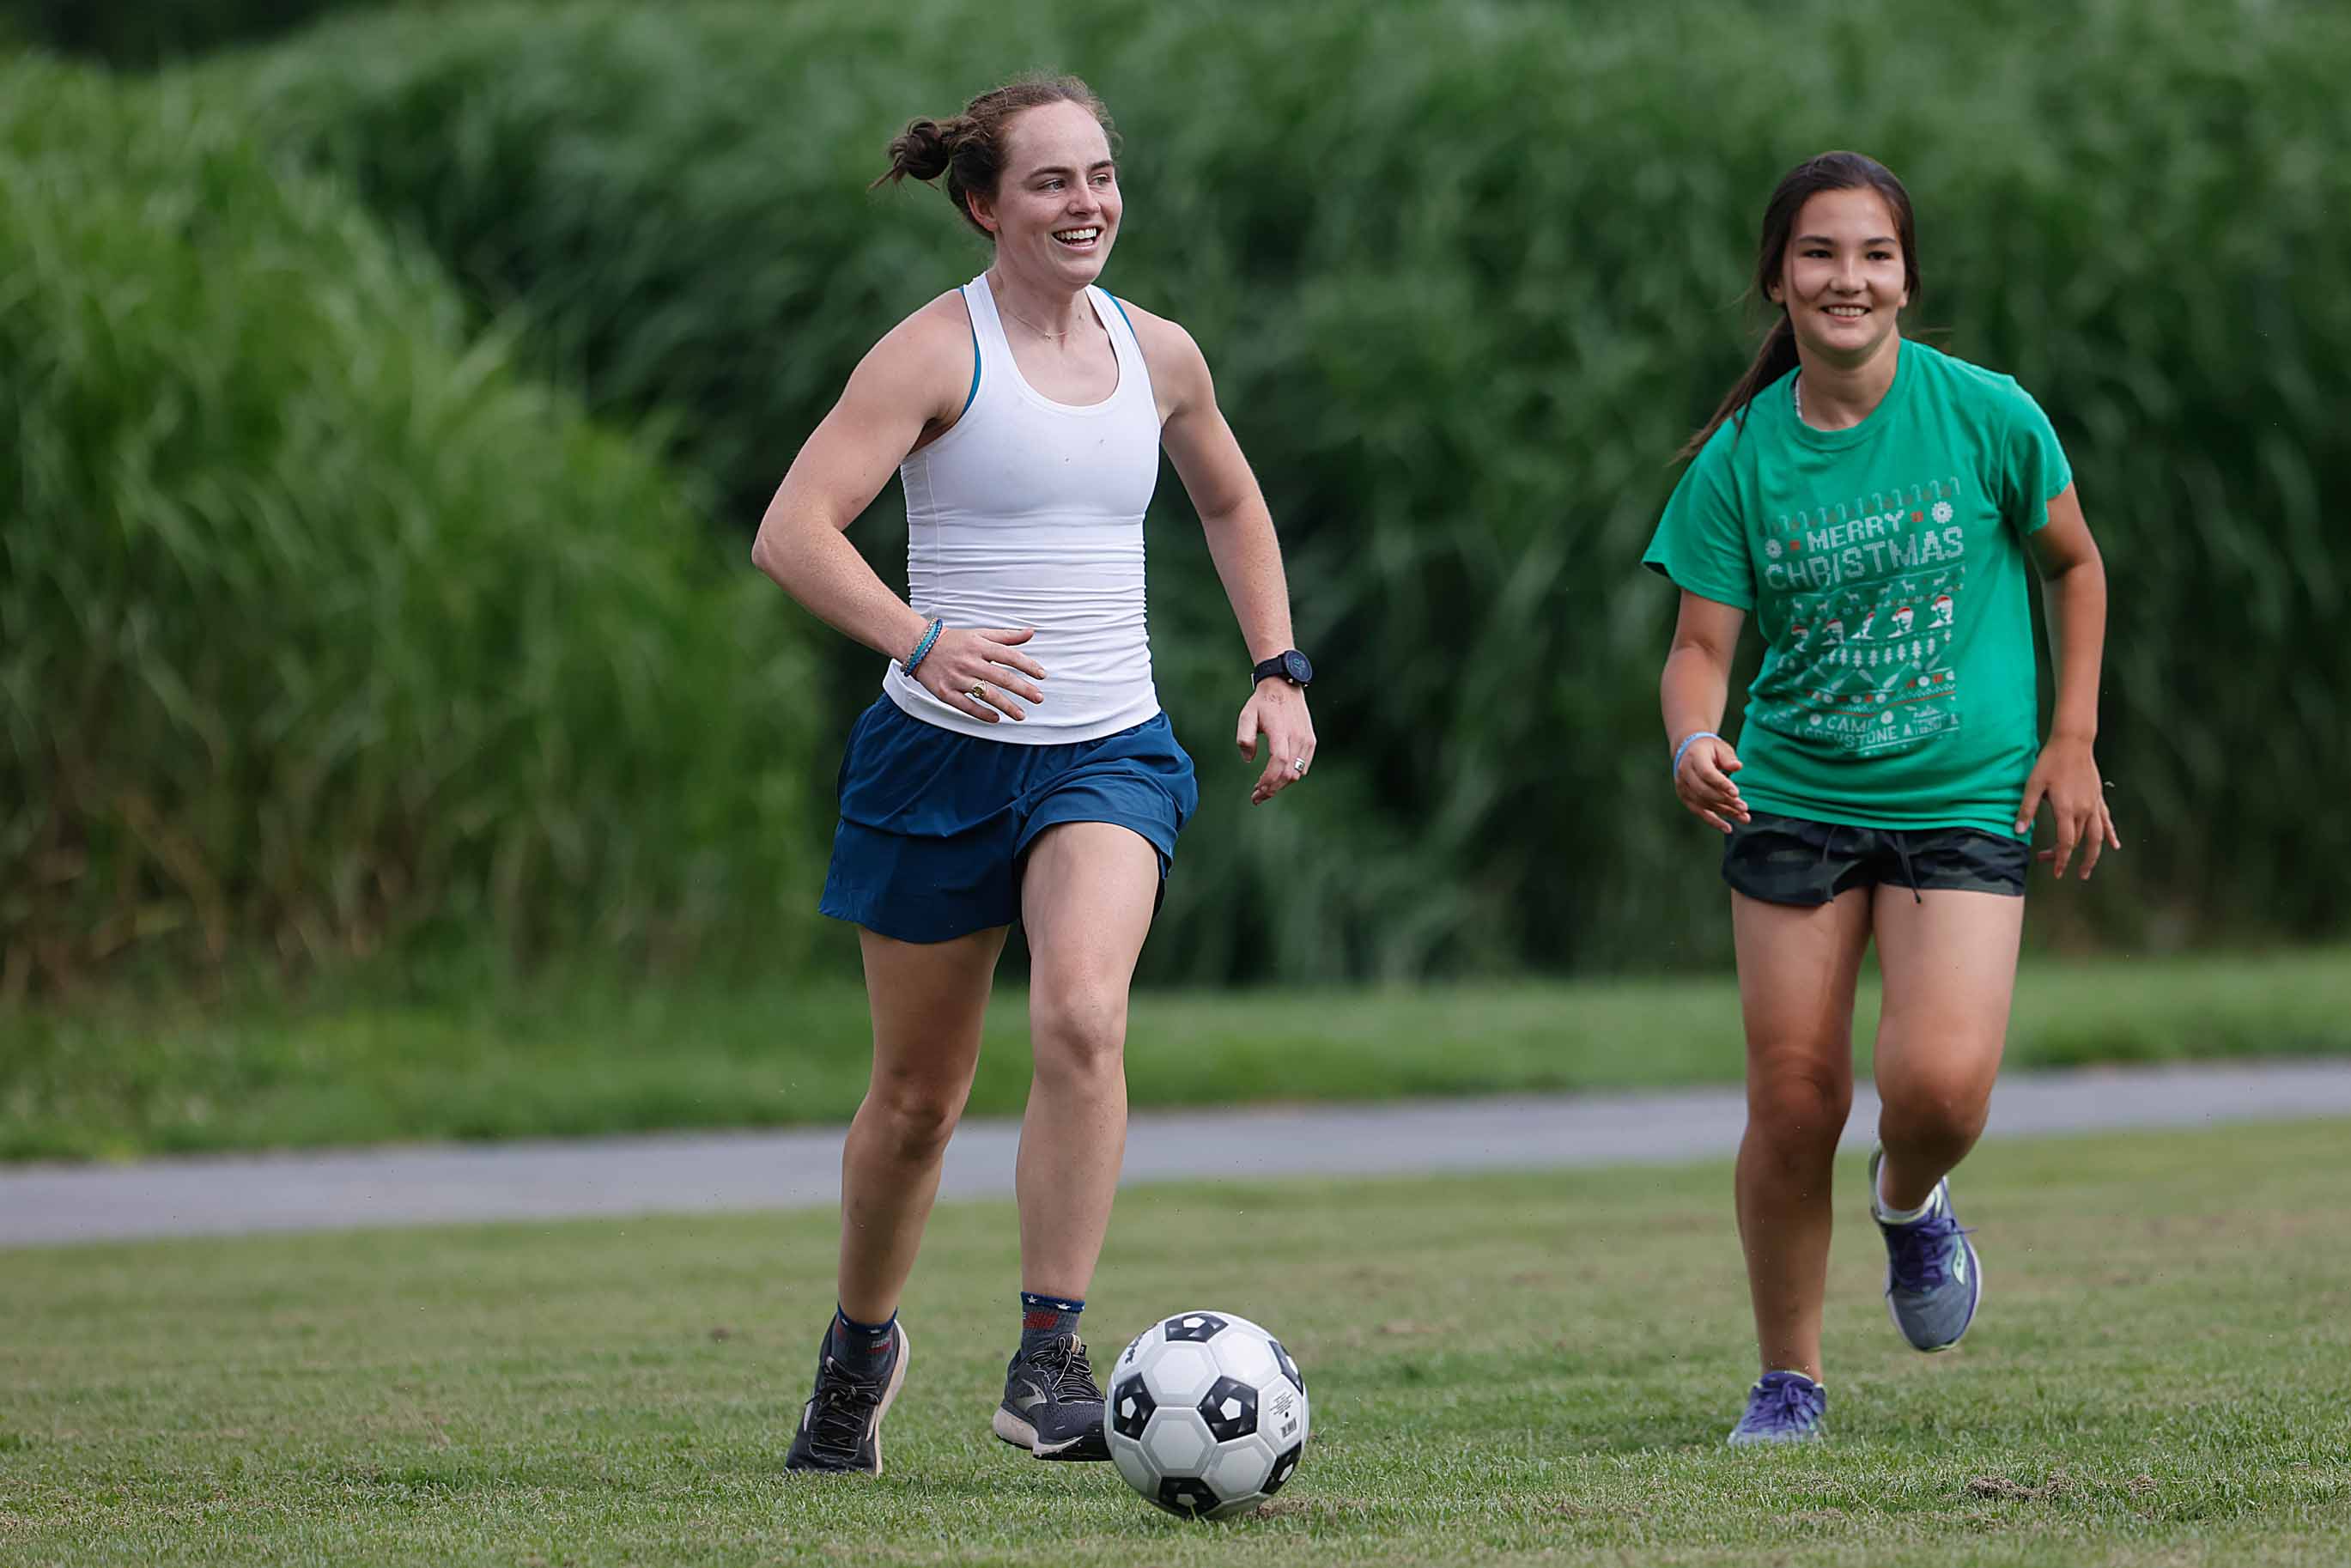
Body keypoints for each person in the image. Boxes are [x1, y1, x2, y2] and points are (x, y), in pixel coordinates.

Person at [750, 75, 1317, 1475]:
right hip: (934, 760)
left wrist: (1277, 668)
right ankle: (860, 1345)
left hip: (1107, 750)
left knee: (1080, 1016)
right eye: (1052, 181)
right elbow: (793, 529)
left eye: (1101, 176)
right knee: (915, 1103)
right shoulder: (930, 354)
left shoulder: (1159, 353)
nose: (1087, 203)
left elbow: (1230, 498)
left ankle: (1047, 1359)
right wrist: (918, 637)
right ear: (983, 204)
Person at [1641, 151, 2119, 1446]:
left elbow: (2074, 565)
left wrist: (2072, 738)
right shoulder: (1740, 460)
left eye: (1872, 255)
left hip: (1960, 793)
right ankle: (1787, 1378)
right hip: (1792, 792)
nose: (1844, 279)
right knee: (1795, 1100)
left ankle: (1909, 1203)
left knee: (1942, 1085)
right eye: (1818, 254)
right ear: (1777, 279)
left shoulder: (1987, 416)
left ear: (1907, 278)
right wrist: (1692, 737)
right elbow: (1698, 649)